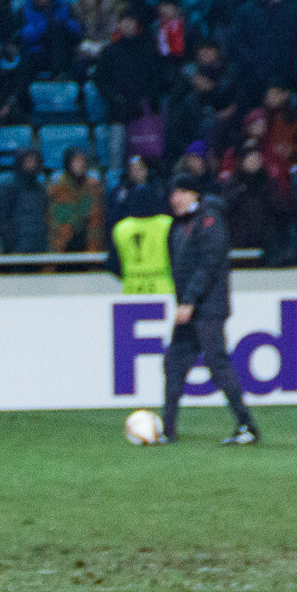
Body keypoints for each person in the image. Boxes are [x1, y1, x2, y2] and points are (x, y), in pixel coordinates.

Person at [157, 172, 258, 445]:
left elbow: (209, 264)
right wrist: (184, 301)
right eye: (172, 193)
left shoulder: (209, 221)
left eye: (179, 192)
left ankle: (247, 425)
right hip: (190, 305)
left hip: (208, 306)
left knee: (216, 361)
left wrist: (189, 299)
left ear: (194, 194)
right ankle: (167, 429)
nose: (174, 198)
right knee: (174, 363)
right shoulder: (177, 226)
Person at [103, 184, 172, 294]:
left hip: (131, 292)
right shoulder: (167, 225)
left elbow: (112, 265)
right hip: (163, 293)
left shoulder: (121, 228)